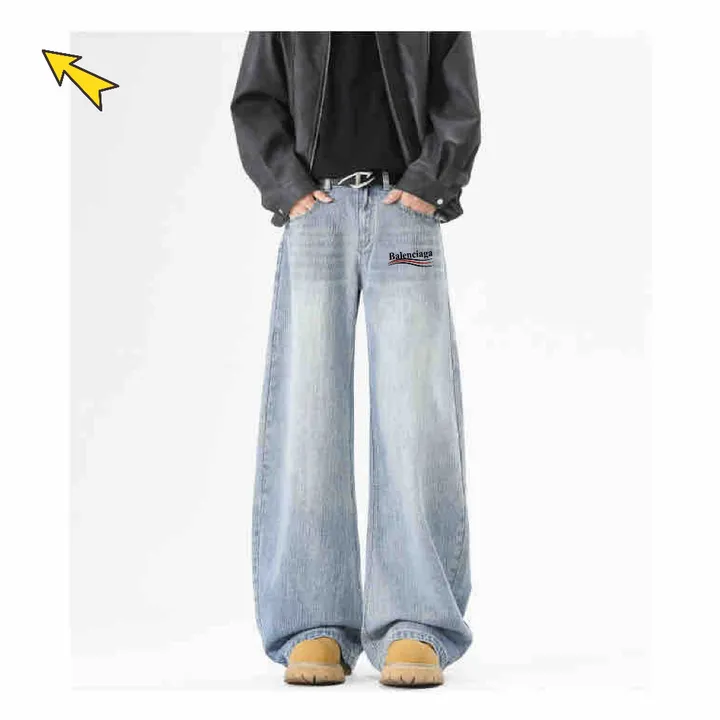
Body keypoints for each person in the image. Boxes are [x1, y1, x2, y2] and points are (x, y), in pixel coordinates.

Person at [230, 31, 481, 687]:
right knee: (307, 411)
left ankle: (417, 622)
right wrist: (286, 186)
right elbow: (256, 100)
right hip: (315, 211)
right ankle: (311, 621)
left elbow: (457, 99)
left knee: (414, 412)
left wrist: (432, 180)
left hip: (407, 212)